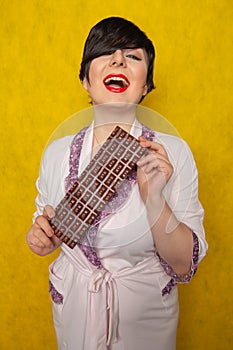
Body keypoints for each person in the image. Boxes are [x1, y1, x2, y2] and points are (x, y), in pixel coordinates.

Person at [26, 17, 208, 350]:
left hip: (144, 320)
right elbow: (47, 223)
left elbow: (184, 264)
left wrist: (154, 198)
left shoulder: (174, 153)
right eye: (106, 51)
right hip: (76, 313)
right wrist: (44, 238)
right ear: (85, 79)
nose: (119, 60)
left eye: (134, 56)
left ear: (146, 85)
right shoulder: (56, 153)